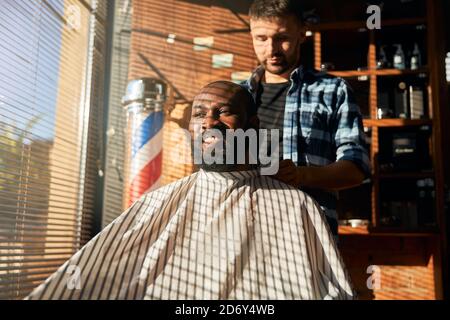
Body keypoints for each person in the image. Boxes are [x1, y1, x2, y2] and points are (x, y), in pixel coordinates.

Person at [25, 81, 354, 300]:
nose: (209, 123)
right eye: (199, 115)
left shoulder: (294, 207)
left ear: (253, 126)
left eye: (223, 112)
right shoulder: (157, 204)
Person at [243, 0, 371, 237]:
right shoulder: (237, 98)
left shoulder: (333, 90)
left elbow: (356, 168)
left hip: (308, 232)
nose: (272, 49)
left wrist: (302, 175)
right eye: (261, 38)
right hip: (245, 230)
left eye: (282, 37)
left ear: (302, 33)